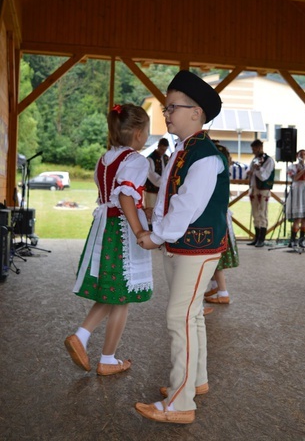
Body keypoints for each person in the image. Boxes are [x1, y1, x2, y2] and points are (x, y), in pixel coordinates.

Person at [134, 70, 229, 424]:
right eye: (166, 107)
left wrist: (156, 236)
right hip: (183, 246)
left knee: (180, 317)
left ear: (197, 112)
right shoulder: (182, 149)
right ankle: (195, 381)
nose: (167, 113)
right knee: (189, 317)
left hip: (197, 248)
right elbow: (165, 203)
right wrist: (157, 230)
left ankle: (180, 403)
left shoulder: (203, 155)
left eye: (173, 107)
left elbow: (186, 207)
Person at [64, 104, 153, 376]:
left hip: (104, 228)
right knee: (122, 296)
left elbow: (113, 195)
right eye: (148, 131)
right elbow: (126, 196)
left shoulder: (105, 159)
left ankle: (82, 336)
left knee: (113, 291)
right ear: (138, 133)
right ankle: (107, 358)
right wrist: (139, 229)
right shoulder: (137, 160)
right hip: (122, 231)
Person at [204, 141, 239, 305]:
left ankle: (223, 292)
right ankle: (216, 287)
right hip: (222, 218)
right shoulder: (222, 173)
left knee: (216, 258)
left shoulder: (215, 175)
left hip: (218, 219)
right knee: (215, 257)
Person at [246, 139, 275, 247]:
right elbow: (252, 173)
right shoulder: (255, 159)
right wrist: (250, 172)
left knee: (262, 212)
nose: (253, 151)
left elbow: (264, 176)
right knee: (255, 213)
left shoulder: (269, 160)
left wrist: (257, 170)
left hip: (263, 189)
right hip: (254, 188)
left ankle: (262, 238)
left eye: (254, 149)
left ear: (259, 148)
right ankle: (256, 237)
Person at [144, 137, 169, 208]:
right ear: (158, 146)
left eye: (165, 150)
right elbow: (150, 174)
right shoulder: (150, 158)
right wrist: (162, 181)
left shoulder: (166, 158)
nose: (163, 152)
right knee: (150, 209)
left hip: (162, 190)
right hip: (151, 190)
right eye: (161, 149)